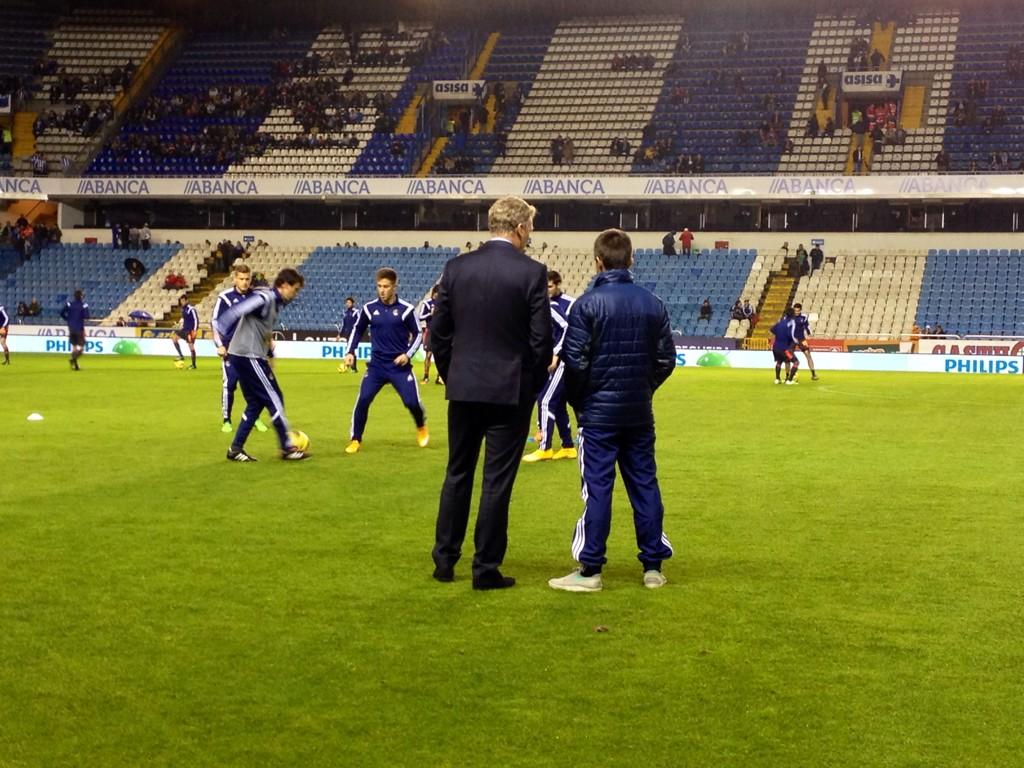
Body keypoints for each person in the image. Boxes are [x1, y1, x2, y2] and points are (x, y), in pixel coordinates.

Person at [430, 196, 551, 590]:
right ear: (520, 228)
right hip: (508, 391)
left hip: (464, 387)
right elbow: (541, 342)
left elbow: (438, 333)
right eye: (530, 227)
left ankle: (444, 560)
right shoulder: (532, 272)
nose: (530, 234)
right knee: (497, 481)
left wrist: (452, 374)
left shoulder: (457, 267)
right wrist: (529, 386)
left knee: (457, 473)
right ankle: (485, 568)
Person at [548, 229, 675, 592]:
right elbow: (666, 360)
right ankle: (652, 567)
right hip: (638, 414)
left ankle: (590, 570)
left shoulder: (586, 305)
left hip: (599, 417)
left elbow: (574, 362)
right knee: (645, 484)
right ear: (631, 259)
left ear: (598, 261)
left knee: (597, 489)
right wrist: (643, 390)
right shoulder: (653, 303)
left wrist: (582, 402)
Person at [212, 268, 309, 462]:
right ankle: (287, 448)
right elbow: (240, 309)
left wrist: (270, 355)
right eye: (295, 289)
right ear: (284, 285)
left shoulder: (274, 304)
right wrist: (223, 326)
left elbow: (265, 333)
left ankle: (235, 449)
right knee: (275, 398)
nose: (295, 294)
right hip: (249, 356)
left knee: (255, 404)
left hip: (244, 355)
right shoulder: (267, 297)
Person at [342, 267, 428, 454]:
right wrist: (350, 351)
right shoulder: (369, 309)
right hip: (377, 367)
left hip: (399, 367)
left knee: (411, 402)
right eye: (379, 286)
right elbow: (357, 329)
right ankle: (355, 439)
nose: (382, 290)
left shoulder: (406, 310)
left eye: (386, 286)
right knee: (363, 399)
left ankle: (421, 426)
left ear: (394, 287)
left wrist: (407, 355)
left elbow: (418, 334)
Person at [523, 270, 576, 463]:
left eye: (550, 286)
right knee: (557, 403)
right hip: (550, 361)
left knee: (545, 400)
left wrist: (556, 355)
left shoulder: (552, 306)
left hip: (562, 362)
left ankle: (544, 448)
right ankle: (568, 446)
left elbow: (567, 328)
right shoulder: (541, 305)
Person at [212, 263, 268, 434]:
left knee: (253, 386)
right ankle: (226, 420)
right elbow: (215, 322)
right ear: (235, 278)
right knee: (230, 385)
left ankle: (254, 418)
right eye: (242, 279)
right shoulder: (225, 297)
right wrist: (220, 345)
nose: (245, 282)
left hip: (251, 350)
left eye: (247, 279)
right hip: (231, 350)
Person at [60, 289, 89, 370]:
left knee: (74, 347)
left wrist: (67, 319)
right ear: (81, 296)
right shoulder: (84, 305)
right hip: (79, 328)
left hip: (71, 328)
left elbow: (61, 313)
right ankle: (73, 360)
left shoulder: (69, 304)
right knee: (81, 348)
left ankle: (75, 365)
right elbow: (87, 316)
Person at [770, 307, 800, 385]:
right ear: (793, 315)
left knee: (779, 361)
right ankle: (789, 380)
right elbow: (791, 335)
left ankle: (777, 379)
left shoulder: (780, 322)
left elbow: (772, 329)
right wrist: (796, 341)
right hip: (785, 349)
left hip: (775, 347)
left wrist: (779, 334)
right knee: (796, 362)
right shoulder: (791, 324)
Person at [417, 285, 440, 384]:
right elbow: (420, 317)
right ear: (434, 292)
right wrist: (430, 314)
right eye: (438, 293)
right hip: (430, 331)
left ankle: (439, 378)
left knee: (440, 355)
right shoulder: (427, 303)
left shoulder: (442, 304)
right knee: (429, 354)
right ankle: (426, 377)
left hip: (440, 332)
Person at [792, 303, 818, 380]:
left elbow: (807, 326)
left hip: (801, 339)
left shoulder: (804, 317)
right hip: (791, 339)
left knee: (808, 354)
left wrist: (809, 333)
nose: (796, 312)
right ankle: (789, 375)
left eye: (798, 311)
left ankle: (813, 374)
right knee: (788, 357)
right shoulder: (790, 317)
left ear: (800, 310)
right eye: (795, 311)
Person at [171, 294, 199, 369]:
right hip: (184, 330)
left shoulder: (191, 309)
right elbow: (184, 319)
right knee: (174, 337)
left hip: (190, 331)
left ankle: (193, 365)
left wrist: (195, 330)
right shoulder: (183, 309)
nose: (182, 302)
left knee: (191, 346)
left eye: (183, 301)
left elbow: (196, 320)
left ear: (187, 300)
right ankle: (181, 356)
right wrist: (179, 325)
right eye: (181, 301)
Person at [339, 296, 360, 372]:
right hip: (348, 334)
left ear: (352, 303)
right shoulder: (345, 313)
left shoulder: (356, 312)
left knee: (350, 350)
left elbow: (359, 322)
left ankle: (350, 366)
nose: (348, 304)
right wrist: (340, 334)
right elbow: (344, 325)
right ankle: (353, 368)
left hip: (354, 334)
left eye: (349, 302)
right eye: (347, 303)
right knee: (351, 351)